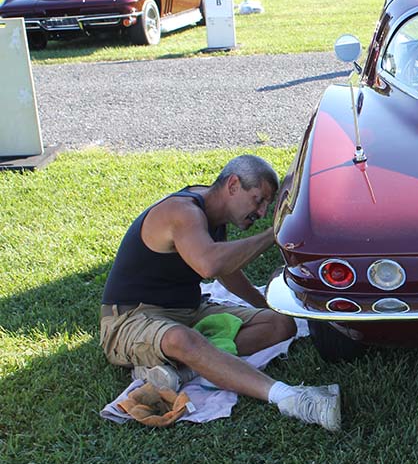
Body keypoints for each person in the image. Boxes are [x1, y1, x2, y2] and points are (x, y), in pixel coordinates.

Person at [100, 155, 342, 431]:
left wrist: (265, 307)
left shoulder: (214, 215)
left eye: (267, 205)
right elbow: (210, 264)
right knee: (182, 338)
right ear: (233, 184)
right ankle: (291, 398)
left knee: (281, 324)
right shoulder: (183, 212)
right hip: (130, 319)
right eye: (258, 200)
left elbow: (227, 271)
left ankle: (184, 369)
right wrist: (273, 234)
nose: (262, 212)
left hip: (188, 311)